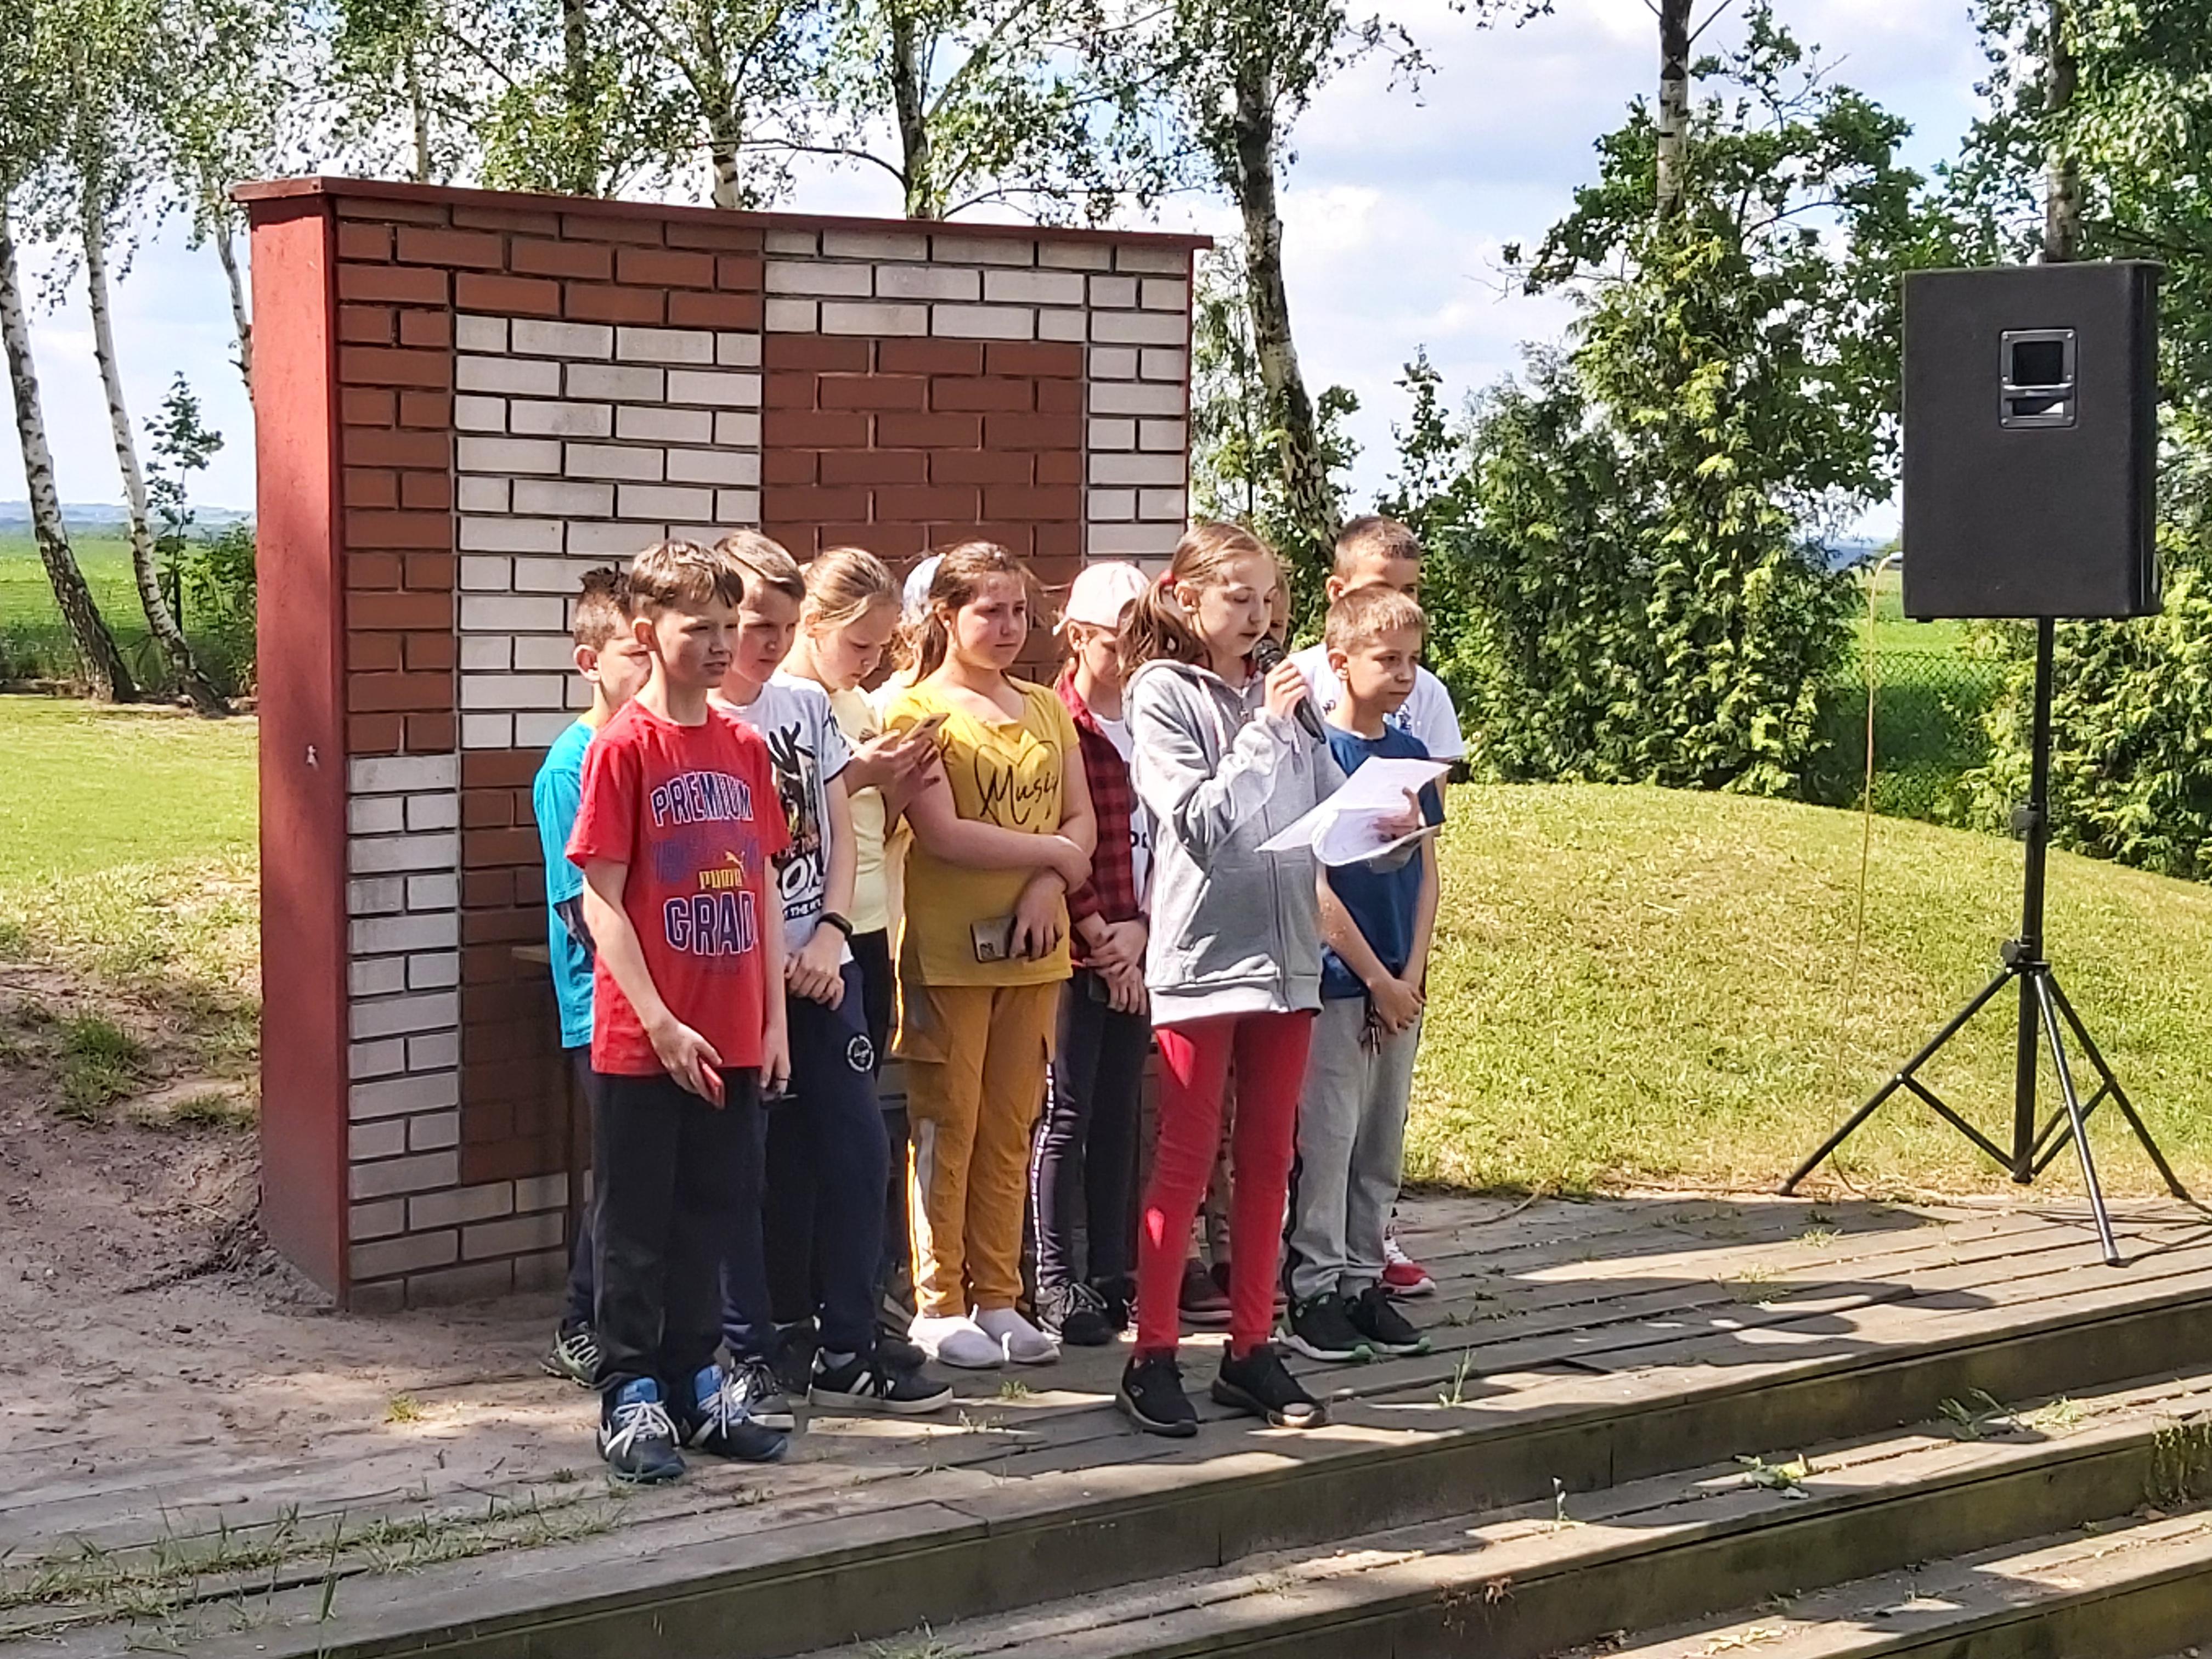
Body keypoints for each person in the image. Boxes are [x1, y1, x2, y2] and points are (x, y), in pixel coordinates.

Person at [1114, 522, 1348, 1438]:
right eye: (1238, 598)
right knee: (1186, 1158)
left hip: (1288, 959)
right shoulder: (1162, 692)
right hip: (1206, 960)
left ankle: (1253, 1347)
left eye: (1269, 599)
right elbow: (1202, 825)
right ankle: (1153, 1354)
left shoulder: (1279, 692)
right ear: (1186, 597)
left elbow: (1323, 809)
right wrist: (1265, 731)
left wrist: (1383, 814)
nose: (1259, 618)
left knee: (1269, 1160)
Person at [710, 532, 952, 1418]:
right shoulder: (705, 723)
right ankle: (751, 1347)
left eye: (781, 626)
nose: (768, 643)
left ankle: (850, 1341)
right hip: (741, 974)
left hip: (827, 961)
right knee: (747, 1162)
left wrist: (831, 933)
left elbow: (841, 827)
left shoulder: (807, 706)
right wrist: (772, 957)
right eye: (753, 625)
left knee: (856, 1147)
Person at [568, 538, 792, 1482]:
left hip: (732, 1030)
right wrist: (659, 1021)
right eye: (698, 627)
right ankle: (630, 1391)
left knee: (714, 1209)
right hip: (645, 1040)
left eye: (728, 626)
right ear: (647, 631)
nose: (720, 644)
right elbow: (601, 900)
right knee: (637, 1225)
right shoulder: (624, 748)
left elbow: (764, 884)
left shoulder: (743, 747)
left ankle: (699, 1379)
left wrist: (773, 1020)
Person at [884, 543, 1097, 1370]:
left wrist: (1050, 882)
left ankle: (1000, 1295)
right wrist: (1055, 855)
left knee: (1011, 1124)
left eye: (1019, 612)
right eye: (989, 612)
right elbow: (943, 833)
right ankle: (938, 1303)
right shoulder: (916, 711)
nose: (1009, 628)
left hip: (1036, 948)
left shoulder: (1045, 706)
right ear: (945, 616)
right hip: (948, 952)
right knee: (951, 1123)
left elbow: (1081, 820)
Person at [1288, 515, 1457, 1298]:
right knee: (1329, 1137)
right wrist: (1375, 979)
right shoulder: (1315, 751)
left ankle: (1364, 1277)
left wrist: (1410, 975)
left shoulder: (1410, 752)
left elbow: (1426, 865)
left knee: (1380, 1144)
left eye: (1412, 661)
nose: (1404, 675)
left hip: (1399, 976)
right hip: (1337, 979)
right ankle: (1318, 1283)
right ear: (1340, 661)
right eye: (1388, 660)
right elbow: (1314, 882)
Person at [783, 546, 941, 1364]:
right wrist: (859, 776)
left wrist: (902, 779)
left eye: (882, 647)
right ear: (811, 624)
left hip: (873, 921)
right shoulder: (791, 700)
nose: (871, 662)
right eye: (858, 645)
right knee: (825, 1135)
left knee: (858, 1123)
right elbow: (790, 812)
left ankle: (852, 1301)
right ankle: (811, 1310)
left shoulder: (857, 703)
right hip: (814, 934)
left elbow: (879, 825)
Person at [533, 568, 654, 1389]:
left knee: (654, 1179)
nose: (652, 669)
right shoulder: (570, 767)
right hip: (602, 1008)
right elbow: (583, 907)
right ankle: (582, 1324)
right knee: (622, 1178)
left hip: (671, 1001)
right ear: (590, 662)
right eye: (633, 655)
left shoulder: (659, 748)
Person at [1030, 561, 1152, 1347]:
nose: (1132, 658)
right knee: (1065, 1111)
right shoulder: (1059, 723)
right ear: (1077, 637)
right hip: (1080, 951)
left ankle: (1114, 1271)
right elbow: (1058, 839)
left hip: (1142, 941)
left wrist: (1143, 931)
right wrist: (1103, 936)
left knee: (1120, 1112)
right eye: (1117, 642)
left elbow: (1168, 839)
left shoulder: (1154, 717)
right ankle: (1053, 1274)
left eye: (1145, 641)